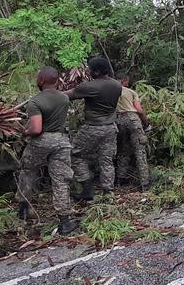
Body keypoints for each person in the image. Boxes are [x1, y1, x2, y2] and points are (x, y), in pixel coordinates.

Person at [16, 66, 77, 235]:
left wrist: (24, 131)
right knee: (61, 180)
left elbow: (36, 129)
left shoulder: (35, 102)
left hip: (41, 142)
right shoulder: (64, 98)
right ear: (57, 81)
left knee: (27, 172)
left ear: (41, 81)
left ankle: (22, 210)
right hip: (62, 142)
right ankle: (65, 222)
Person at [66, 57, 122, 202]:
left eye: (90, 69)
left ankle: (87, 187)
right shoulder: (117, 85)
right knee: (106, 160)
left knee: (75, 154)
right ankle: (108, 193)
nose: (88, 71)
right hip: (110, 128)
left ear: (96, 71)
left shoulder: (90, 86)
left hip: (93, 127)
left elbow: (66, 96)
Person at [115, 72, 151, 190]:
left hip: (118, 121)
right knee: (140, 151)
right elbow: (139, 110)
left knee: (123, 150)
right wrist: (146, 124)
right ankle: (144, 184)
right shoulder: (131, 92)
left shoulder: (111, 91)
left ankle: (120, 180)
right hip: (132, 119)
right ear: (124, 81)